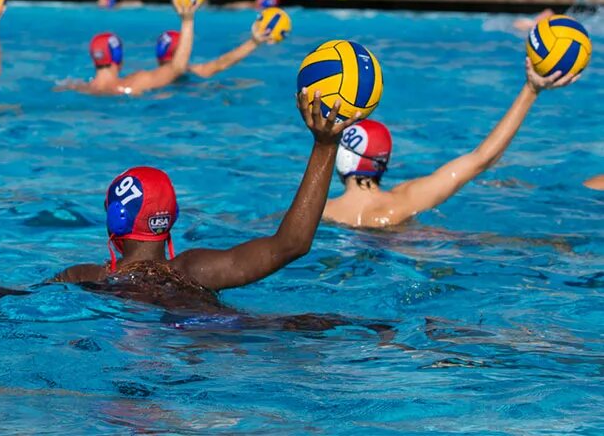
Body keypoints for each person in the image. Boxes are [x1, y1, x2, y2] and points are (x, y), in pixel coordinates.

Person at [52, 90, 352, 304]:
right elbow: (292, 245)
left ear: (116, 218)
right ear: (172, 216)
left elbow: (15, 300)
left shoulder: (85, 278)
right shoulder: (196, 270)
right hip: (214, 337)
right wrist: (325, 146)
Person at [323, 59, 577, 229]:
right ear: (383, 160)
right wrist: (531, 89)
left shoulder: (321, 214)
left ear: (342, 157)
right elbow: (483, 158)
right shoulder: (406, 200)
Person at [63, 3, 197, 96]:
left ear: (94, 59)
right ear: (118, 57)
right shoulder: (132, 85)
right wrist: (187, 20)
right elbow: (177, 67)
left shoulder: (77, 87)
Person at [154, 20, 276, 80]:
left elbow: (220, 64)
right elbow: (220, 64)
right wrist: (254, 42)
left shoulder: (145, 79)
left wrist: (254, 42)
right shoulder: (190, 72)